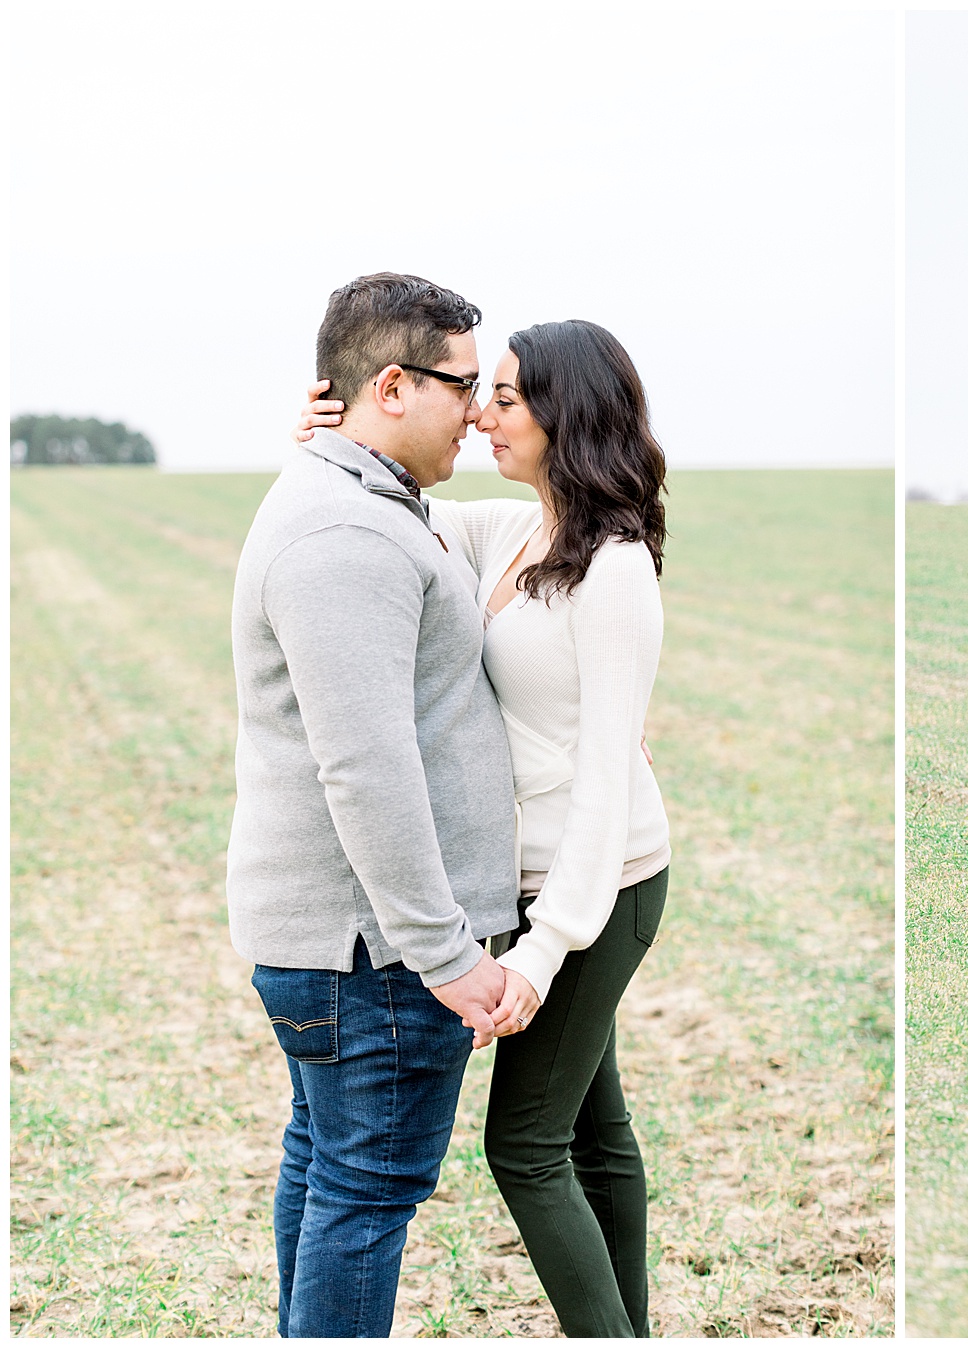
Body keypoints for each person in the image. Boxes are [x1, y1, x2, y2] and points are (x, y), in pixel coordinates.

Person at [294, 318, 672, 1338]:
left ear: (565, 411)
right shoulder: (511, 530)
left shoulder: (615, 568)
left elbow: (604, 785)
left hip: (601, 883)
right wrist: (326, 433)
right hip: (540, 881)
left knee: (527, 1146)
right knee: (593, 1131)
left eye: (503, 397)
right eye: (480, 394)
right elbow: (389, 502)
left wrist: (543, 952)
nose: (480, 415)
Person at [228, 273, 519, 1337]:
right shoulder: (344, 535)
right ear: (392, 387)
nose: (478, 412)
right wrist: (444, 953)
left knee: (330, 1168)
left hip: (355, 947)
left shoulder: (361, 501)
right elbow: (366, 767)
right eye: (464, 385)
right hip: (374, 955)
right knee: (364, 1190)